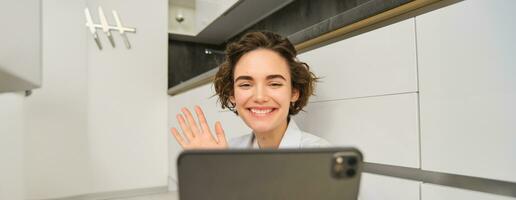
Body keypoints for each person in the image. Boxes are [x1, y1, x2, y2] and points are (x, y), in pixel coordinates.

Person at [170, 31, 330, 149]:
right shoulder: (229, 151)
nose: (260, 97)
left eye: (274, 84)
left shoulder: (321, 155)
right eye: (246, 85)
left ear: (294, 92)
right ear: (232, 94)